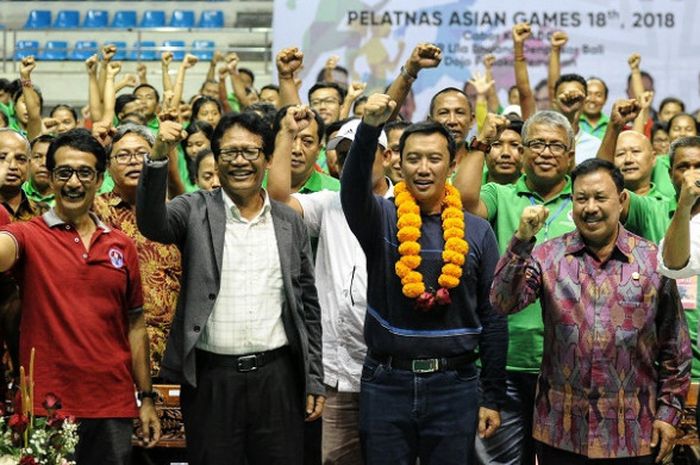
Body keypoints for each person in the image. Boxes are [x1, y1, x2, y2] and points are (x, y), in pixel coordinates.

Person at [136, 111, 325, 465]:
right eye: (229, 153)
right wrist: (160, 152)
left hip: (278, 379)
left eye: (251, 152)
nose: (240, 161)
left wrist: (314, 378)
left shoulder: (288, 222)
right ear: (216, 160)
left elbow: (308, 305)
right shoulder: (194, 209)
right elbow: (151, 223)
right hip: (211, 380)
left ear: (268, 159)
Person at [341, 93, 506, 465]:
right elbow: (351, 190)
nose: (423, 168)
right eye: (413, 158)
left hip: (456, 385)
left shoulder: (477, 232)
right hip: (387, 382)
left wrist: (491, 396)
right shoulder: (380, 218)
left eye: (434, 158)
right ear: (397, 163)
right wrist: (369, 129)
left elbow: (493, 315)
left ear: (451, 164)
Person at [490, 159, 690, 464]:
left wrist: (668, 413)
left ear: (622, 201)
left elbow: (675, 345)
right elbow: (503, 301)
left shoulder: (651, 260)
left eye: (600, 197)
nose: (590, 207)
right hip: (561, 431)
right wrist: (521, 240)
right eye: (581, 198)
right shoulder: (547, 256)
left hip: (634, 433)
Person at [0, 128, 161, 465]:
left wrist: (146, 398)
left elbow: (135, 325)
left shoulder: (121, 244)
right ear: (51, 177)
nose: (73, 182)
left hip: (112, 404)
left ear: (99, 179)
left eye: (84, 172)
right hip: (48, 406)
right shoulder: (27, 235)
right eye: (64, 172)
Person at [268, 114, 392, 465]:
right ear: (336, 162)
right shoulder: (327, 203)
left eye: (367, 152)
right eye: (348, 154)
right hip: (336, 371)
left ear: (388, 156)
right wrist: (287, 134)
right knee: (336, 460)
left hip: (389, 369)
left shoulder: (408, 207)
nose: (358, 161)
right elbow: (278, 200)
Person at [93, 123, 182, 378]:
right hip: (112, 347)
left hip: (174, 352)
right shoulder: (94, 211)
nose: (133, 162)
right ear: (108, 165)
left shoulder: (176, 212)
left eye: (142, 154)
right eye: (123, 155)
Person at [658, 136, 700, 381]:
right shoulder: (665, 212)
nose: (691, 175)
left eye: (698, 166)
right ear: (670, 171)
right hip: (672, 368)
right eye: (684, 167)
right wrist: (685, 205)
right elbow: (674, 266)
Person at [271, 107, 339, 194]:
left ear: (318, 150)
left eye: (307, 141)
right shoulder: (255, 185)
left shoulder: (336, 191)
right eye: (290, 138)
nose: (297, 150)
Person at [613, 130, 669, 200]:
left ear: (653, 158)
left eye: (635, 151)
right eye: (620, 154)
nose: (628, 160)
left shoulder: (667, 205)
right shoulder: (605, 202)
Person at [483, 116, 523, 185]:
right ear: (484, 150)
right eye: (497, 144)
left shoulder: (538, 189)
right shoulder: (466, 184)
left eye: (514, 145)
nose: (505, 153)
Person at [22, 134, 55, 208]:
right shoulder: (16, 192)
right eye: (37, 157)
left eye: (50, 158)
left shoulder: (66, 197)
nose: (43, 163)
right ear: (28, 161)